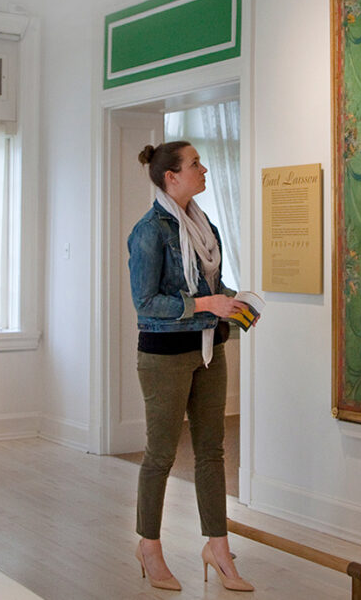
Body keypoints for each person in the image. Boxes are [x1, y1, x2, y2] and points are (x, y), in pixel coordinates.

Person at [128, 141, 254, 593]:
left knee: (212, 452)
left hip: (209, 348)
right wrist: (206, 303)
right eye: (195, 164)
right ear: (171, 178)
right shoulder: (148, 231)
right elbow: (145, 304)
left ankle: (217, 548)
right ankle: (149, 545)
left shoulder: (207, 228)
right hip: (164, 356)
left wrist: (234, 303)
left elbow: (213, 286)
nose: (205, 169)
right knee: (161, 455)